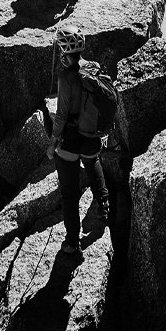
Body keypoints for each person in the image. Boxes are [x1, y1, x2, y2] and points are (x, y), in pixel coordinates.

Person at [49, 24, 109, 257]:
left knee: (70, 193)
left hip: (71, 141)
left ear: (64, 50)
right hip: (92, 137)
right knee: (93, 163)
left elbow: (62, 114)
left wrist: (53, 142)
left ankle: (73, 243)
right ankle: (104, 205)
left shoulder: (66, 77)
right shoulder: (93, 69)